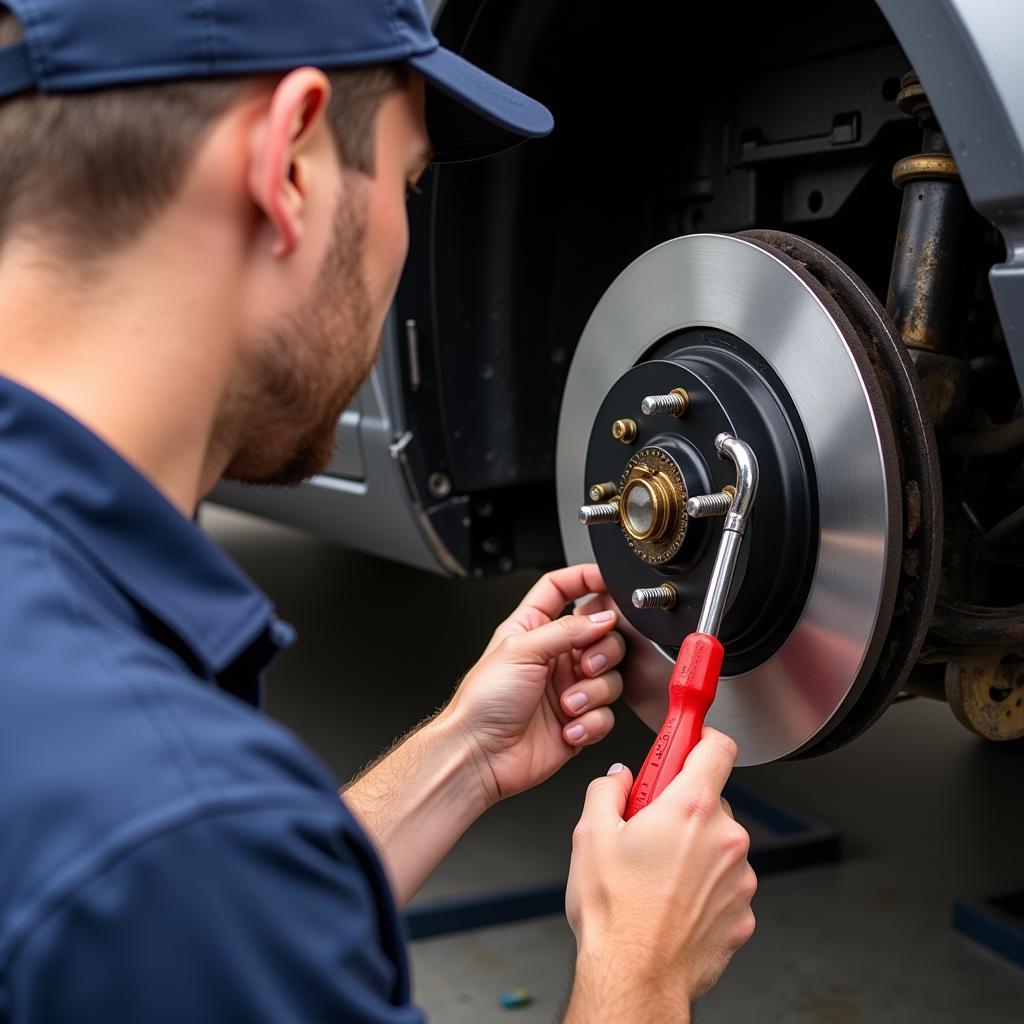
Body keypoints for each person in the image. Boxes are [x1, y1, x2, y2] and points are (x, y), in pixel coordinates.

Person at [0, 1, 756, 1020]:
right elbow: (193, 877)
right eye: (408, 182)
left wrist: (462, 754)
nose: (406, 237)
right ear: (291, 165)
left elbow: (219, 924)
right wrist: (641, 965)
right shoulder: (172, 827)